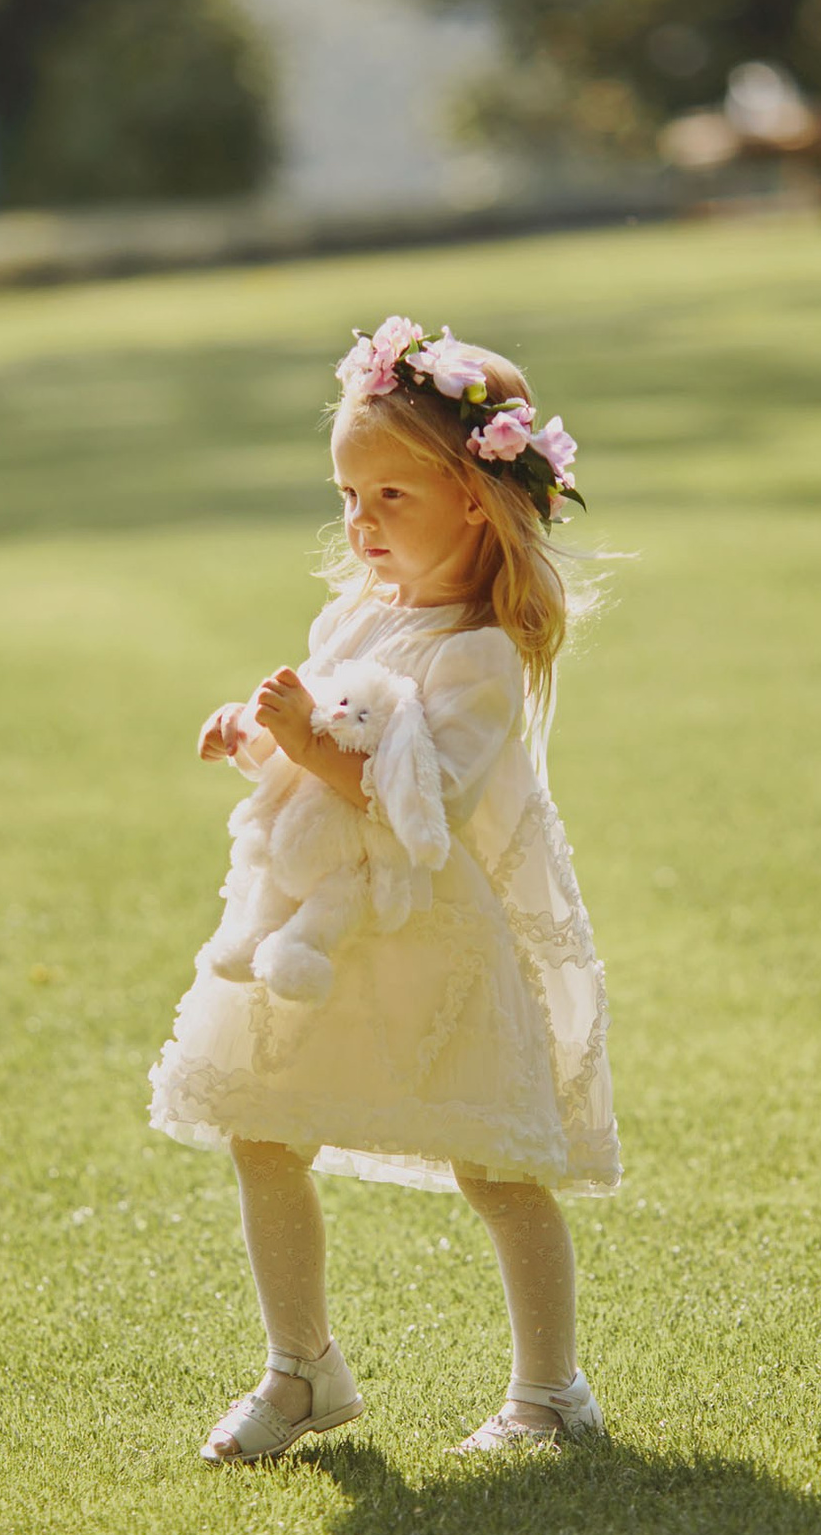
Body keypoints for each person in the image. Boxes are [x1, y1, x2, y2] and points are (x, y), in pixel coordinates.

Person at [146, 316, 622, 1462]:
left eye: (388, 498)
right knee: (261, 1128)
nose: (358, 523)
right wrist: (257, 737)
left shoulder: (483, 651)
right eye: (347, 497)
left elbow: (426, 805)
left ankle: (551, 1393)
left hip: (431, 939)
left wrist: (305, 746)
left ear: (472, 495)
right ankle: (300, 1366)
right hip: (314, 928)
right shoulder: (355, 611)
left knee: (494, 1161)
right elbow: (327, 721)